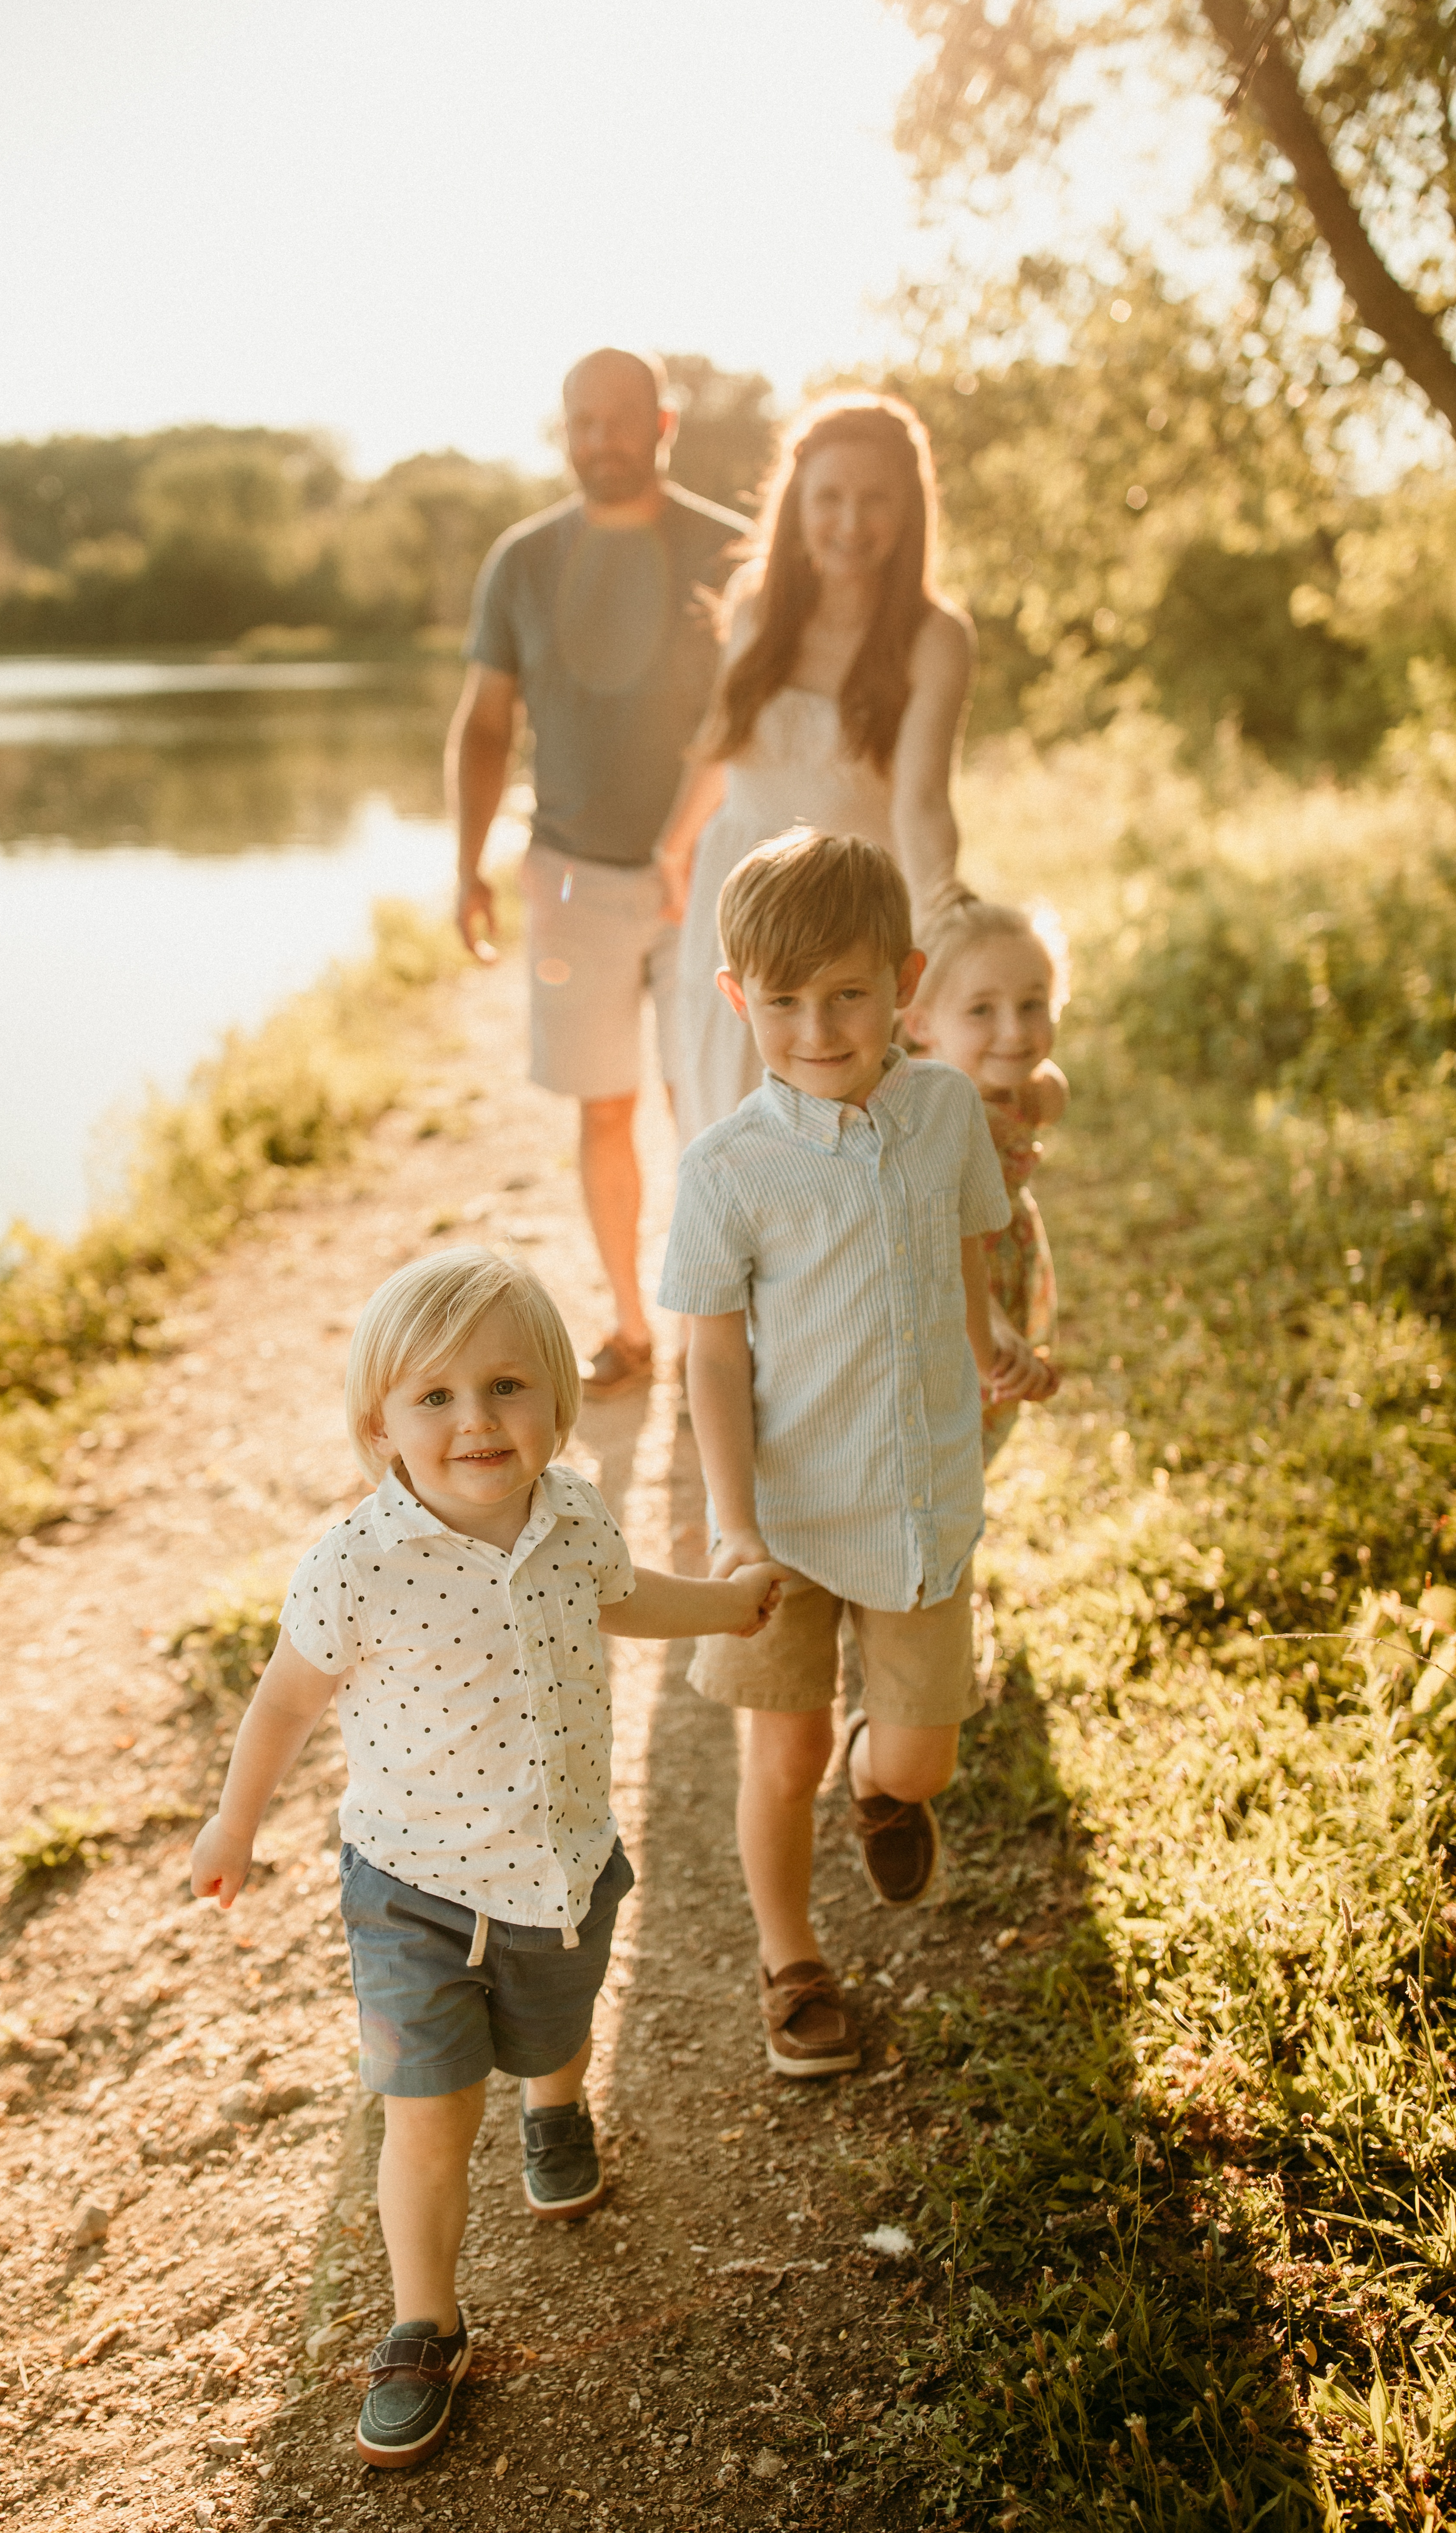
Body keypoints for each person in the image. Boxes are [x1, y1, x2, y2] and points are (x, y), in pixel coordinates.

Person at [188, 1250, 781, 2469]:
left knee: (555, 2021)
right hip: (407, 1887)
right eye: (436, 1396)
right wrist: (233, 1819)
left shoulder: (575, 1517)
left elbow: (625, 1597)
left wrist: (723, 1605)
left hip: (558, 1864)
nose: (476, 1419)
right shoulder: (356, 1560)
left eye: (507, 1384)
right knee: (426, 2112)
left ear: (559, 1403)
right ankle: (423, 2320)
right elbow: (286, 1701)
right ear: (381, 1424)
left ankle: (557, 2107)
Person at [656, 831, 1010, 2077]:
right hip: (786, 1518)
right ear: (736, 997)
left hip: (914, 1499)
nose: (818, 1025)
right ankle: (791, 1955)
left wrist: (990, 1337)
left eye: (848, 993)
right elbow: (707, 1359)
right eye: (784, 999)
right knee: (782, 1746)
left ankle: (884, 1778)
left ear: (902, 982)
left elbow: (969, 1241)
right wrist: (730, 1519)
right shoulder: (726, 1168)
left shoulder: (945, 1108)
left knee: (920, 1751)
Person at [449, 349, 748, 1395]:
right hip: (571, 880)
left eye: (619, 420)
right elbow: (484, 725)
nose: (599, 441)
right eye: (581, 422)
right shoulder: (522, 560)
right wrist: (466, 866)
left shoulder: (731, 551)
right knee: (606, 1108)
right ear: (563, 429)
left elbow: (756, 719)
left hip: (705, 877)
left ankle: (724, 1329)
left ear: (662, 424)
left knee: (707, 1102)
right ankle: (631, 1328)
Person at [657, 391, 975, 1149]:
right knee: (727, 1131)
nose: (849, 523)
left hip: (847, 911)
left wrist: (948, 927)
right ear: (796, 503)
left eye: (874, 501)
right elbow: (722, 741)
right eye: (828, 497)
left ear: (909, 512)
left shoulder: (934, 638)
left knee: (839, 1144)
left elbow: (923, 805)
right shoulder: (755, 605)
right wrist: (672, 848)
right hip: (736, 900)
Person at [904, 898, 1069, 1461]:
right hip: (957, 1303)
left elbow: (1046, 1087)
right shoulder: (937, 1114)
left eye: (1032, 1004)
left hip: (1004, 1269)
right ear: (921, 1024)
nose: (1014, 1032)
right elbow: (936, 1239)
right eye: (980, 1010)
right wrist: (991, 1326)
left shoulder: (1010, 1082)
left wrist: (1039, 1089)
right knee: (945, 1444)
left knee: (977, 1438)